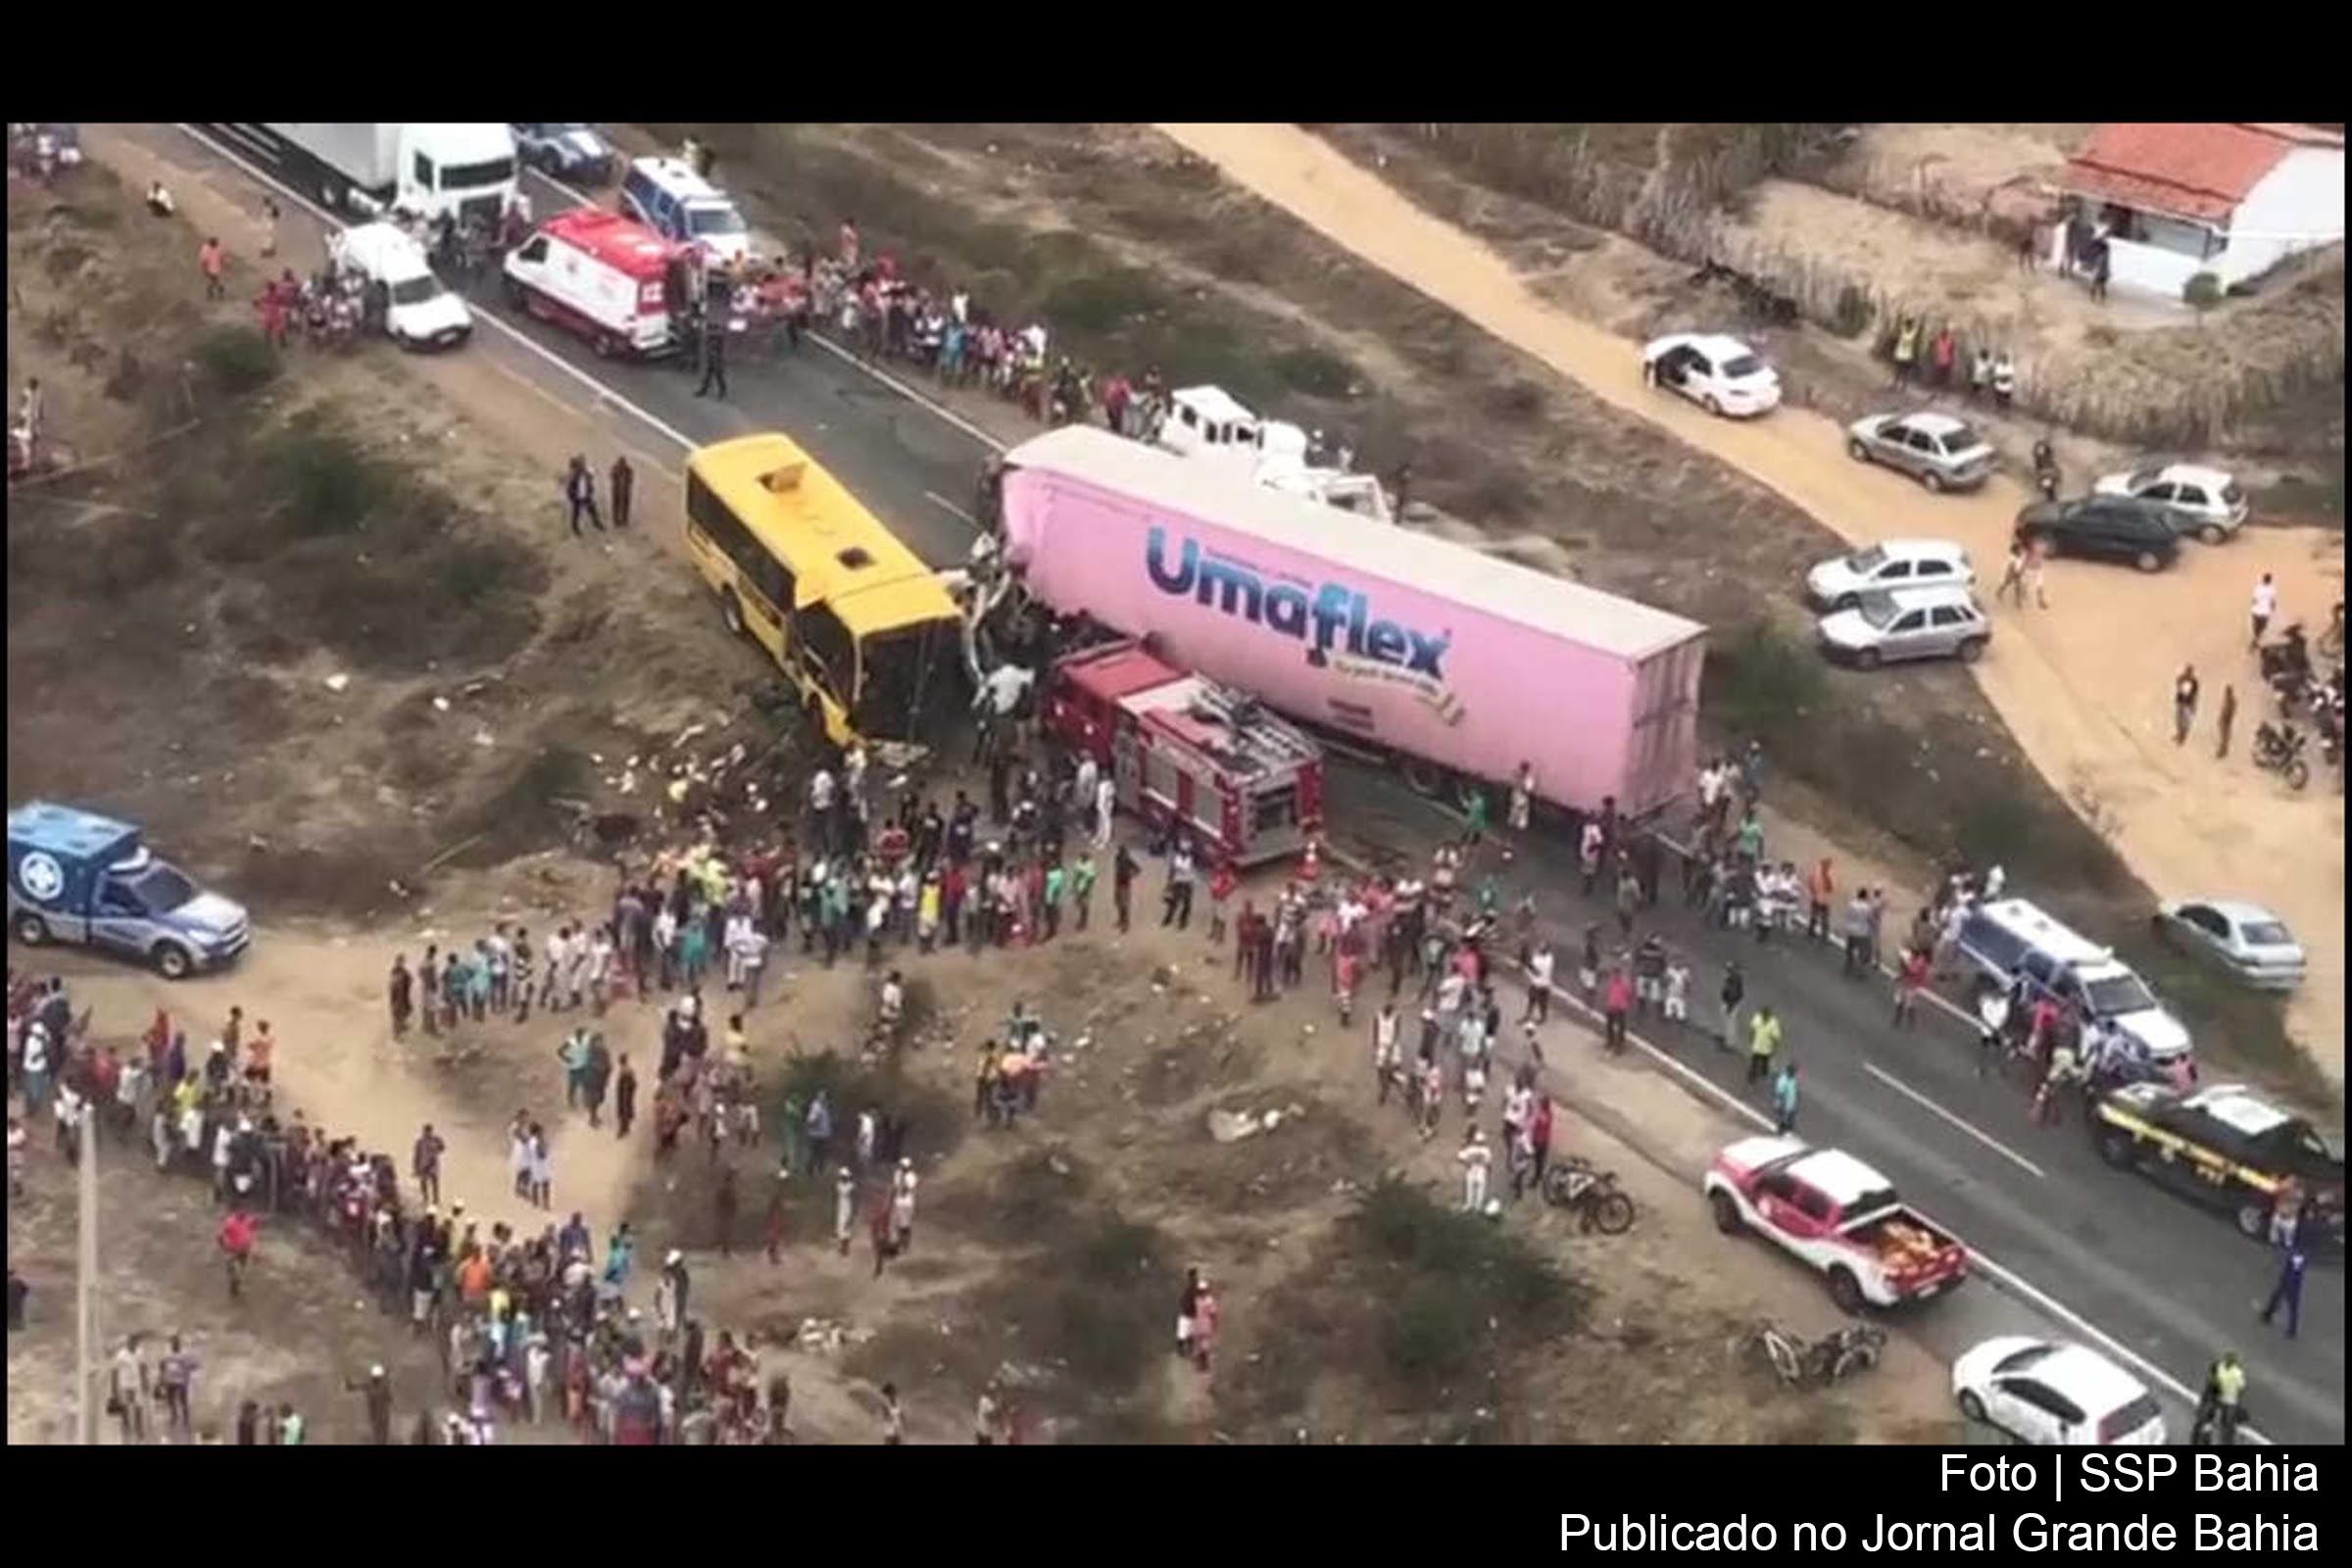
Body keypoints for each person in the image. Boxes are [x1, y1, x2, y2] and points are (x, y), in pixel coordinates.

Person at [2192, 1352, 2247, 1446]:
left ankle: (2219, 1437)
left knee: (2222, 1423)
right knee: (2214, 1421)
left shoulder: (2235, 1373)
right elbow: (2241, 1388)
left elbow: (2240, 1388)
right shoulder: (2223, 1370)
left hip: (2225, 1399)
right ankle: (2210, 1436)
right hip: (2221, 1399)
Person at [2259, 1239, 2307, 1340]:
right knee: (2283, 1301)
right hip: (2291, 1281)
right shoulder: (2298, 1256)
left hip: (2290, 1282)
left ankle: (2269, 1316)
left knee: (2284, 1301)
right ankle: (2268, 1316)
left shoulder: (2297, 1257)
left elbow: (2294, 1269)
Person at [564, 456, 602, 536]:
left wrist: (591, 489)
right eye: (581, 464)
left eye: (583, 464)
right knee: (576, 514)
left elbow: (591, 477)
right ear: (578, 466)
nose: (583, 466)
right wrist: (573, 496)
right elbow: (569, 488)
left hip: (586, 496)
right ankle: (575, 528)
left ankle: (596, 523)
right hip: (577, 497)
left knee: (592, 510)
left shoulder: (585, 473)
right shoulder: (574, 475)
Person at [1457, 1126, 1492, 1213]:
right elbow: (1488, 1163)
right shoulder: (1486, 1150)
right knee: (1480, 1189)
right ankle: (1478, 1206)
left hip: (1471, 1170)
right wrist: (1489, 1171)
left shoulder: (1470, 1149)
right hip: (1481, 1171)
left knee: (1470, 1188)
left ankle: (1469, 1205)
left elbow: (1460, 1157)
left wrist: (1462, 1149)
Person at [1745, 1004, 1781, 1083]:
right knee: (1754, 1062)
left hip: (1766, 1048)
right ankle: (1752, 1075)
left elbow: (1776, 1037)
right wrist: (1751, 1038)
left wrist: (1774, 1048)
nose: (1765, 1016)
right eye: (1764, 1014)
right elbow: (1752, 1029)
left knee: (1765, 1062)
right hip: (1757, 1046)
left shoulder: (1773, 1023)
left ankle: (1764, 1072)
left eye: (1766, 1015)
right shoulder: (1757, 1019)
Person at [2173, 664, 2200, 747]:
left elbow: (2194, 695)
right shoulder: (2182, 678)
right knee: (2178, 719)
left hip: (2187, 703)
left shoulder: (2194, 682)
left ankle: (2182, 737)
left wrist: (2193, 704)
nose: (2188, 673)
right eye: (2187, 671)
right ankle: (2179, 734)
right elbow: (2177, 684)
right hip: (2181, 701)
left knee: (2185, 721)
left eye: (2189, 672)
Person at [2249, 572, 2278, 649]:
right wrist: (2273, 610)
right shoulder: (2272, 589)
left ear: (2263, 580)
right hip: (2265, 612)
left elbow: (2254, 600)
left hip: (2256, 611)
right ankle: (2255, 641)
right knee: (2262, 627)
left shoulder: (2258, 588)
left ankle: (2255, 640)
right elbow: (2273, 602)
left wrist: (2253, 607)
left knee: (2256, 627)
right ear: (2270, 580)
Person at [1770, 1060, 1799, 1134]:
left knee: (1790, 1117)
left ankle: (1786, 1127)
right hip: (1784, 1105)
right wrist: (1780, 1105)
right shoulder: (1783, 1080)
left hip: (1790, 1103)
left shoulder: (1792, 1078)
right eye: (1794, 1071)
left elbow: (1793, 1088)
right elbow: (1780, 1094)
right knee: (1784, 1118)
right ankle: (1781, 1130)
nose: (1795, 1073)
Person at [611, 454, 634, 529]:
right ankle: (616, 520)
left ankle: (624, 520)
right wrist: (617, 472)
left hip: (625, 492)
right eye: (621, 463)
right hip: (616, 491)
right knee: (616, 506)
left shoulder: (628, 470)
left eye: (623, 463)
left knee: (625, 506)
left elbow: (631, 480)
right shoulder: (615, 468)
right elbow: (611, 476)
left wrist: (628, 479)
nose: (622, 465)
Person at [2216, 684, 2238, 760]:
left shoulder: (2232, 701)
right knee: (2223, 735)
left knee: (2225, 736)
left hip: (2227, 719)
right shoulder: (2227, 700)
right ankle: (2223, 749)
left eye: (2227, 692)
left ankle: (2223, 750)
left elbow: (2231, 711)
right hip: (2224, 719)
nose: (2226, 694)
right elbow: (2224, 710)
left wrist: (2228, 718)